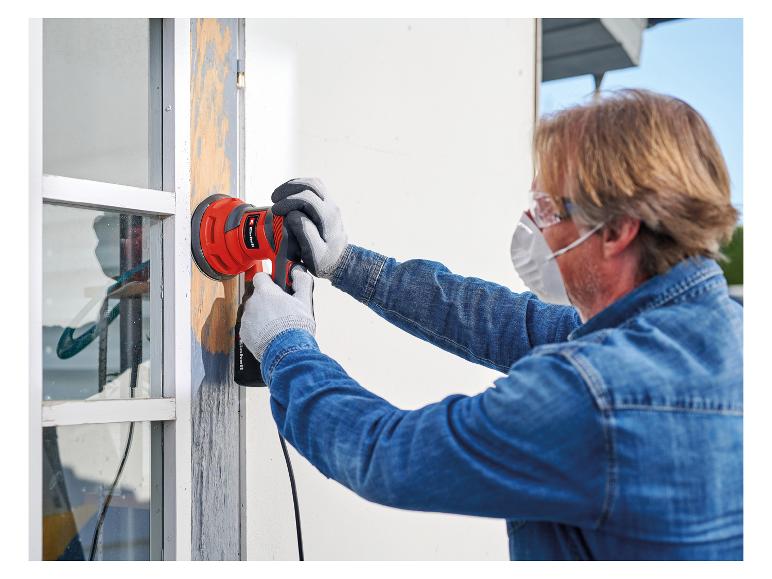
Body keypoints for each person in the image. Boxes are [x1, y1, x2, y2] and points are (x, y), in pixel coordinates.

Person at [239, 89, 743, 560]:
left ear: (616, 230)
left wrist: (286, 347)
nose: (531, 227)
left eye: (546, 208)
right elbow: (505, 323)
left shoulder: (594, 394)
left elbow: (386, 455)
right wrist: (348, 263)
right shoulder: (724, 332)